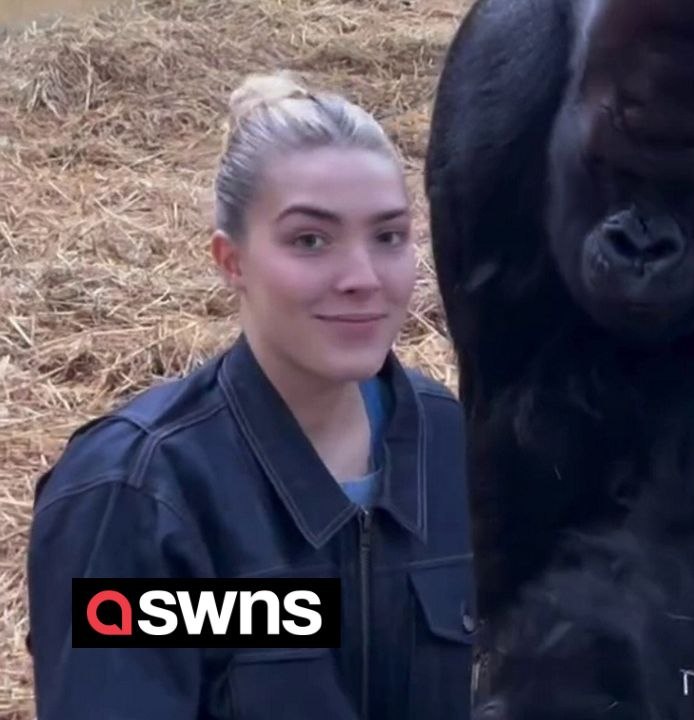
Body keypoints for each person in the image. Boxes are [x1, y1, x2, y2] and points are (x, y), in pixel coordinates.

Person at [26, 71, 476, 720]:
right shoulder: (137, 496)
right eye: (310, 240)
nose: (363, 278)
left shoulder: (450, 443)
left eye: (389, 236)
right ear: (231, 261)